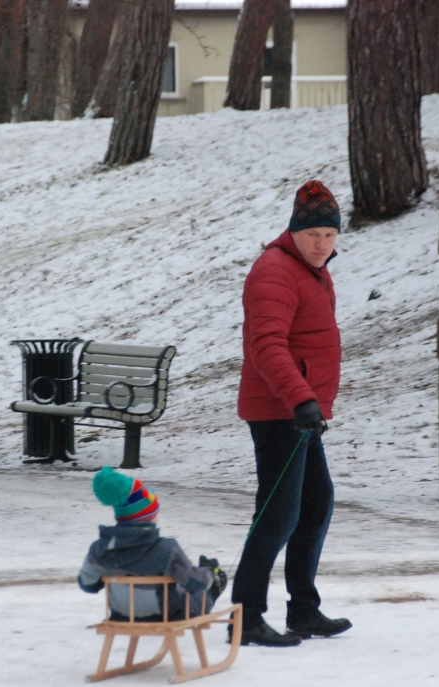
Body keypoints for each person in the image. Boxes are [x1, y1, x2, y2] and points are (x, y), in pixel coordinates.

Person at [231, 180, 352, 647]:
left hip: (303, 413)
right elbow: (266, 345)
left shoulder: (311, 270)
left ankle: (303, 610)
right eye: (313, 235)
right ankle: (245, 616)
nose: (322, 244)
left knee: (315, 505)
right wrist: (301, 398)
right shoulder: (274, 272)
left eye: (329, 234)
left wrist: (309, 404)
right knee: (278, 514)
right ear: (294, 232)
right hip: (280, 410)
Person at [78, 466, 227, 621]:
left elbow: (87, 584)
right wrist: (209, 574)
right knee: (198, 596)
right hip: (167, 616)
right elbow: (195, 582)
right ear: (149, 517)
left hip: (122, 616)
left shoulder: (100, 549)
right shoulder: (167, 549)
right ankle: (215, 585)